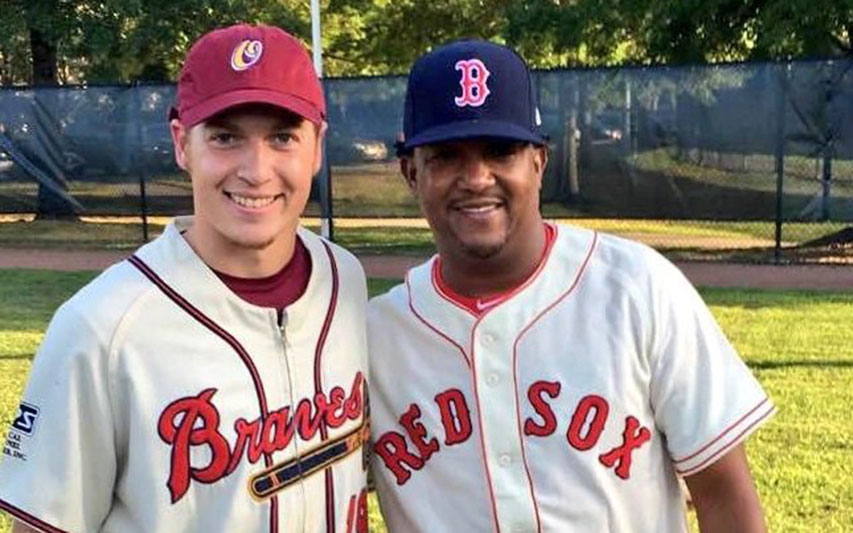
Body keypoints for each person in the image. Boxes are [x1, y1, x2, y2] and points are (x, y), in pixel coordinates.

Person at [368, 39, 774, 532]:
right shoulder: (373, 336)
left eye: (501, 150)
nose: (476, 177)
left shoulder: (637, 287)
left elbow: (725, 499)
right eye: (446, 156)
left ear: (538, 162)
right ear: (411, 172)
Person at [0, 24, 370, 533]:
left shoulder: (344, 279)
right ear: (181, 143)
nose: (256, 170)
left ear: (316, 146)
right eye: (225, 137)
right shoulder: (101, 328)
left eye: (283, 137)